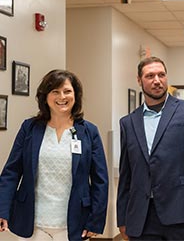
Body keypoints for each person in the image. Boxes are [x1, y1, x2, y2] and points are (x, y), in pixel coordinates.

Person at [117, 56, 184, 240]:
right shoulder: (128, 122)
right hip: (143, 217)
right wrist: (122, 217)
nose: (157, 80)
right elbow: (127, 174)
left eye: (161, 75)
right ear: (139, 80)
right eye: (150, 76)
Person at [0, 69, 109, 241]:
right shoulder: (29, 128)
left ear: (76, 95)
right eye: (55, 92)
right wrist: (2, 209)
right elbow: (11, 171)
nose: (62, 97)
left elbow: (100, 180)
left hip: (74, 223)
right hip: (33, 223)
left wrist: (95, 220)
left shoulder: (89, 132)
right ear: (45, 96)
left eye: (67, 91)